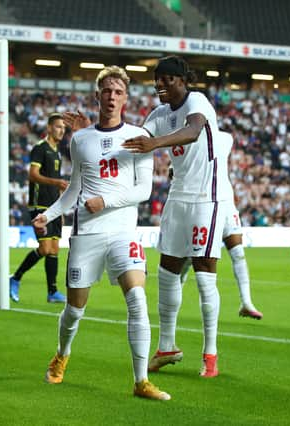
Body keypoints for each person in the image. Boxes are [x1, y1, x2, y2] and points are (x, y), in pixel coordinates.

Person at [34, 66, 170, 401]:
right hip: (87, 233)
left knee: (137, 300)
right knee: (75, 309)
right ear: (98, 96)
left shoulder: (140, 136)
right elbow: (75, 188)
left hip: (123, 233)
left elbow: (143, 192)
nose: (111, 97)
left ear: (126, 98)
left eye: (118, 92)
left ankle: (141, 382)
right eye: (106, 91)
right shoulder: (80, 139)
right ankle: (61, 355)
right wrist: (48, 214)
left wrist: (105, 200)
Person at [122, 55, 225, 378]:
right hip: (178, 198)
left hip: (207, 198)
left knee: (204, 273)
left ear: (182, 80)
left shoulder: (197, 101)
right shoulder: (159, 114)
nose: (160, 84)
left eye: (167, 78)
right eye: (157, 78)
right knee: (167, 272)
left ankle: (210, 354)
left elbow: (194, 131)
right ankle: (167, 345)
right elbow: (134, 137)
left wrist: (155, 143)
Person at [178, 131, 263, 320]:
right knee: (191, 257)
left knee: (238, 253)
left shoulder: (224, 138)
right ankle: (174, 300)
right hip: (202, 204)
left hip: (226, 203)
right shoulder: (189, 143)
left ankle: (246, 302)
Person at [10, 113, 68, 303]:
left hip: (53, 207)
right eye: (58, 127)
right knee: (44, 248)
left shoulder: (57, 151)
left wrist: (60, 209)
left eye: (64, 128)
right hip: (39, 204)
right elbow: (33, 175)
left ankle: (52, 292)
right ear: (49, 128)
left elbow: (57, 185)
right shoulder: (40, 148)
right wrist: (56, 182)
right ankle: (15, 278)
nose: (62, 130)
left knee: (54, 249)